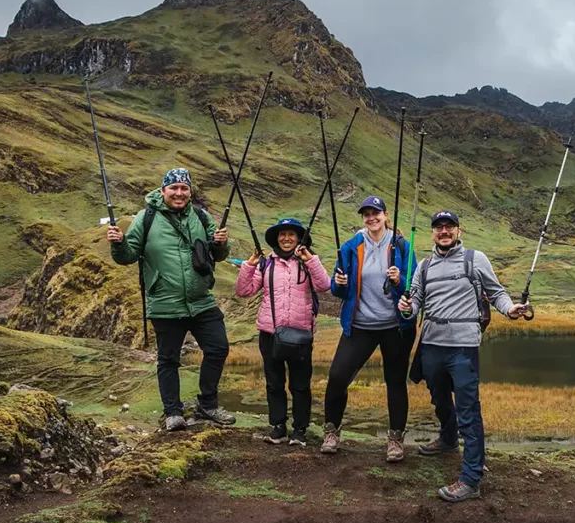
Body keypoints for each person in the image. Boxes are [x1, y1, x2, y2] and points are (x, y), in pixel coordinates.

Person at [398, 210, 528, 502]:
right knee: (439, 398)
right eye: (438, 227)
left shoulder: (475, 259)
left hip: (463, 347)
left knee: (468, 409)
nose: (444, 231)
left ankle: (471, 477)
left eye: (449, 226)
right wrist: (406, 307)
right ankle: (447, 440)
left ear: (459, 230)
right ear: (433, 233)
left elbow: (496, 293)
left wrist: (509, 309)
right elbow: (415, 302)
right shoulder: (424, 265)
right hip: (431, 344)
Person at [107, 167, 237, 431]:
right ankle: (173, 413)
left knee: (218, 347)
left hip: (201, 300)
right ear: (163, 190)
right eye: (174, 188)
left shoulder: (200, 217)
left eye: (184, 188)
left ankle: (208, 405)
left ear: (190, 192)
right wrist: (119, 242)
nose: (179, 193)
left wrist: (221, 243)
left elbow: (218, 254)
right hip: (165, 303)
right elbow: (127, 256)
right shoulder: (146, 218)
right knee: (168, 359)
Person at [321, 196, 416, 462]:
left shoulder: (401, 245)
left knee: (395, 381)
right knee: (338, 376)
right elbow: (338, 288)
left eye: (376, 213)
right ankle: (331, 432)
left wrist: (399, 281)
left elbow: (413, 284)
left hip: (396, 327)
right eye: (366, 214)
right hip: (360, 325)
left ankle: (395, 440)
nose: (371, 218)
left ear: (385, 215)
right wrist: (339, 282)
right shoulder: (352, 245)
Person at [235, 218, 331, 447]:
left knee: (300, 384)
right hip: (270, 333)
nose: (286, 238)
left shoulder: (307, 263)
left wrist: (312, 261)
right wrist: (249, 265)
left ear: (299, 239)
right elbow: (243, 290)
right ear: (276, 239)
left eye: (291, 234)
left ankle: (300, 430)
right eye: (282, 234)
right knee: (274, 383)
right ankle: (278, 427)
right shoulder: (266, 264)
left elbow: (324, 285)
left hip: (301, 334)